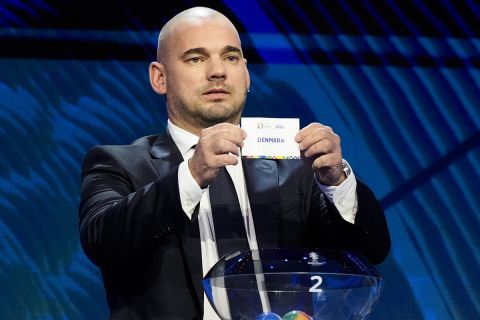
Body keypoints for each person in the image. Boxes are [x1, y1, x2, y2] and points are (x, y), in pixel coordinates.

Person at [79, 6, 390, 320]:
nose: (218, 72)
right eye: (196, 58)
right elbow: (103, 241)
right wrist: (192, 174)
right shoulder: (118, 163)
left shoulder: (296, 169)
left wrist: (336, 181)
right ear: (160, 78)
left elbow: (370, 251)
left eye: (230, 57)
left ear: (247, 74)